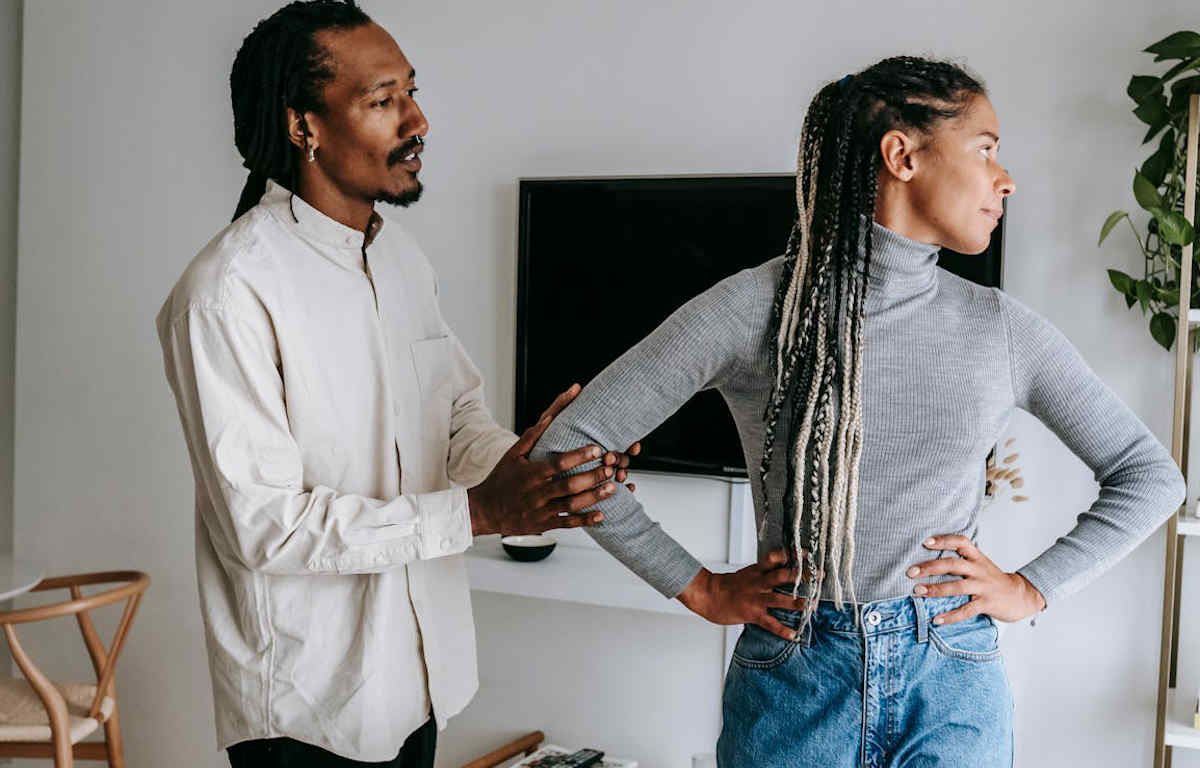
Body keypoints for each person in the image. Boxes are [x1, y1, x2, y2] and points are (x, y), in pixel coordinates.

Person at [530, 56, 1186, 766]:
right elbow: (568, 445)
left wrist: (1032, 588)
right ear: (902, 155)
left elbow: (1151, 475)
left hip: (951, 681)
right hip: (797, 676)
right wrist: (698, 587)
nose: (1006, 179)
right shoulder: (754, 308)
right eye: (987, 149)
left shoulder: (1001, 329)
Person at [155, 2, 637, 766]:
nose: (418, 119)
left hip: (421, 678)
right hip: (310, 709)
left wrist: (538, 473)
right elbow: (267, 527)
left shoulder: (403, 261)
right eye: (383, 100)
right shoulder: (225, 294)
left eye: (412, 92)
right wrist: (480, 513)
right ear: (302, 126)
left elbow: (453, 424)